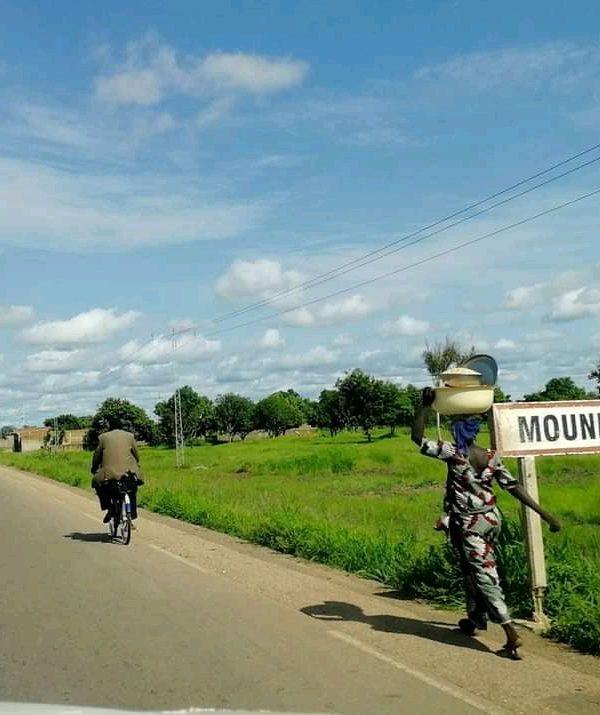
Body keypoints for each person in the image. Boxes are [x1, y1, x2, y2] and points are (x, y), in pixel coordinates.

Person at [411, 387, 561, 660]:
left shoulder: (453, 454)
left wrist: (424, 406)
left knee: (483, 574)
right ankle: (475, 618)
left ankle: (510, 633)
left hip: (470, 526)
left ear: (458, 432)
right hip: (491, 520)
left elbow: (417, 437)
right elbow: (513, 487)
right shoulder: (491, 456)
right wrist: (545, 514)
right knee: (470, 569)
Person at [91, 419, 144, 524]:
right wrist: (135, 463)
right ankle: (132, 515)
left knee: (98, 484)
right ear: (122, 427)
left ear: (109, 427)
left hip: (109, 473)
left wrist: (94, 467)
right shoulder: (130, 436)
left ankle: (109, 507)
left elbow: (96, 456)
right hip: (128, 473)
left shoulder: (103, 437)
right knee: (132, 489)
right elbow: (136, 455)